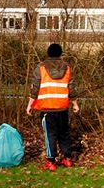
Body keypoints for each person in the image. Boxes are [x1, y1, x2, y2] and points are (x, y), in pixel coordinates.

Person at [26, 42, 79, 170]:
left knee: (50, 134)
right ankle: (67, 159)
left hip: (47, 108)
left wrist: (30, 105)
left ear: (48, 53)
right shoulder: (67, 68)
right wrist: (75, 104)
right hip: (62, 107)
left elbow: (35, 89)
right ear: (60, 54)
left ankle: (51, 161)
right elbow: (71, 87)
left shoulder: (41, 67)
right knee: (64, 133)